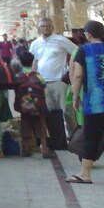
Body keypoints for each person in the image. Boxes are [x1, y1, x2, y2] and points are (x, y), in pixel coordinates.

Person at [66, 20, 104, 184]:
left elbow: (78, 75)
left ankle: (85, 174)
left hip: (96, 103)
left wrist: (75, 95)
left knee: (91, 138)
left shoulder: (84, 50)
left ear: (88, 34)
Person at [29, 18, 77, 146]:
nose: (45, 28)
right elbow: (35, 61)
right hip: (43, 83)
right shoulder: (35, 43)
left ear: (52, 27)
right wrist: (32, 78)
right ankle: (56, 138)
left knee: (67, 111)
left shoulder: (61, 40)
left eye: (48, 26)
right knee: (50, 112)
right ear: (39, 28)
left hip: (59, 82)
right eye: (43, 26)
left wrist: (70, 70)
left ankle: (73, 137)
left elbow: (76, 52)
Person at [15, 51, 54, 159]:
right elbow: (44, 87)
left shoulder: (18, 76)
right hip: (38, 106)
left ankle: (26, 149)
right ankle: (45, 150)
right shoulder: (38, 76)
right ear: (32, 62)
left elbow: (16, 91)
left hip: (24, 107)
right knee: (41, 126)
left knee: (25, 124)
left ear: (20, 62)